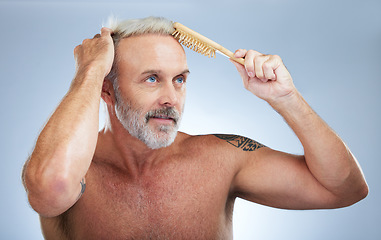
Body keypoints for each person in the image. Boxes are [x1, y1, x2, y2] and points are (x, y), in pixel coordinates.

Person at [22, 16, 368, 240]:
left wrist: (287, 97)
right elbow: (49, 189)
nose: (171, 98)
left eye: (180, 79)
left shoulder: (221, 157)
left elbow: (344, 189)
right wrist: (90, 70)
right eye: (152, 79)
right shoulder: (74, 169)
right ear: (107, 90)